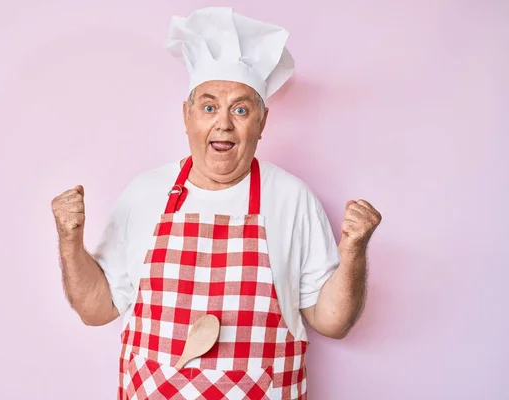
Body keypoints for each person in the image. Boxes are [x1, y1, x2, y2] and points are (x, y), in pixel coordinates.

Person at [51, 7, 381, 400]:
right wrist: (69, 241)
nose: (223, 123)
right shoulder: (144, 194)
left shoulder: (291, 198)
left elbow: (332, 321)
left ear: (262, 122)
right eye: (209, 107)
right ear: (187, 116)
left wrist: (355, 251)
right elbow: (97, 309)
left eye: (241, 109)